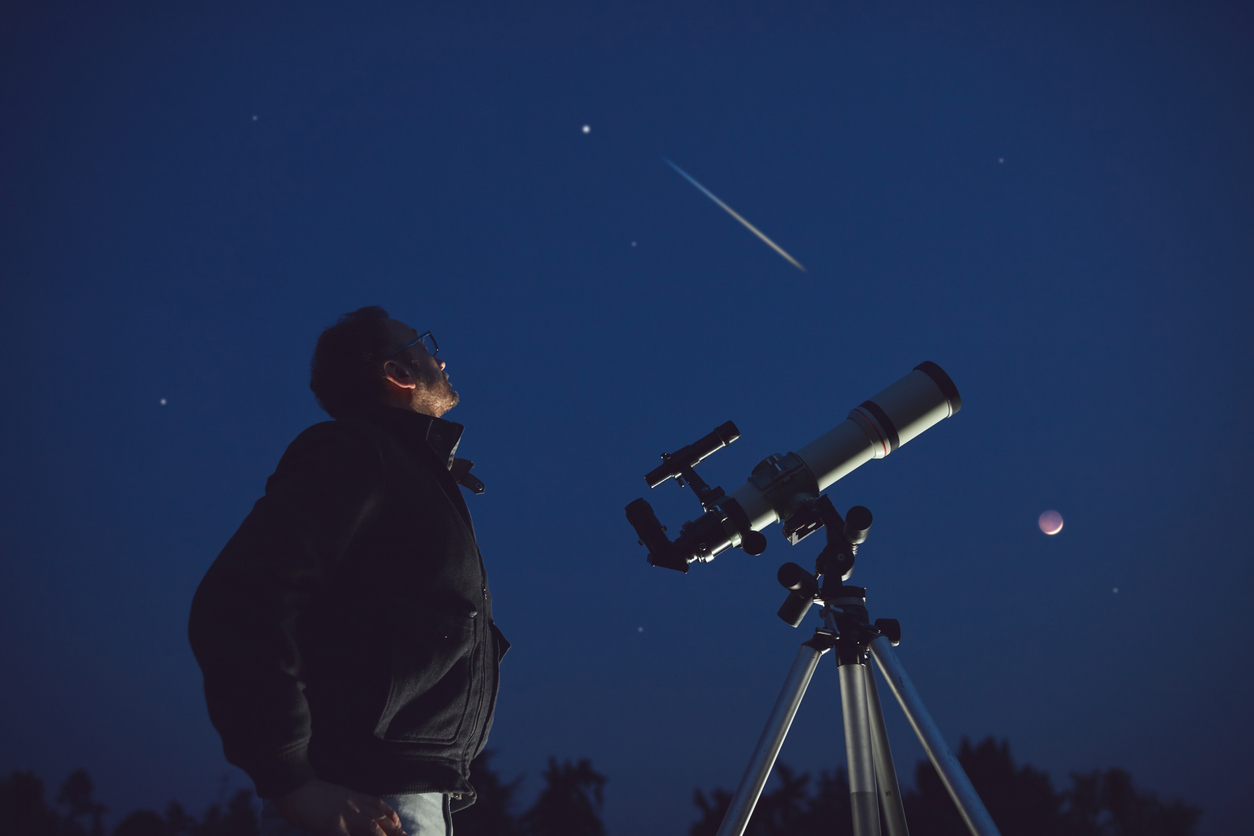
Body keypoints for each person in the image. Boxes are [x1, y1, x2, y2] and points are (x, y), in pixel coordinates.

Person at [189, 307, 506, 836]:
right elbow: (239, 600)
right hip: (362, 801)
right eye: (425, 346)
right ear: (396, 373)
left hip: (405, 797)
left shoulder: (405, 468)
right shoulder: (356, 451)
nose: (441, 357)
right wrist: (289, 780)